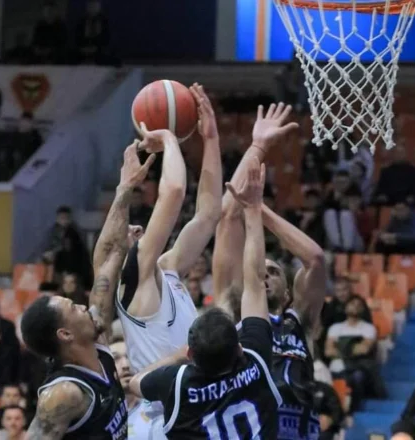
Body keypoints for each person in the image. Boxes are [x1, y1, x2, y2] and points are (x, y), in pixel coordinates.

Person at [130, 157, 283, 438]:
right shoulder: (256, 361)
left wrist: (177, 357)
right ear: (238, 347)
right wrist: (253, 212)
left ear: (191, 355)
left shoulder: (177, 384)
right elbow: (253, 284)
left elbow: (135, 383)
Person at [21, 139, 155, 439]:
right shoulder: (64, 394)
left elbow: (107, 258)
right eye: (73, 308)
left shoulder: (98, 337)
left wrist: (125, 187)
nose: (81, 305)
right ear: (65, 334)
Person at [211, 102, 326, 440]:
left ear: (289, 293)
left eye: (274, 271)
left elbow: (315, 260)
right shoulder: (231, 308)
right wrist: (258, 147)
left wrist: (259, 210)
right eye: (259, 268)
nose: (264, 273)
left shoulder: (300, 321)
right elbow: (228, 216)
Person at [114, 85, 222, 439]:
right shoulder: (137, 280)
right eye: (128, 231)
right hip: (161, 418)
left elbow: (208, 214)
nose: (136, 229)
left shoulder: (166, 270)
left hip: (190, 406)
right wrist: (170, 139)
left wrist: (210, 139)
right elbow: (173, 193)